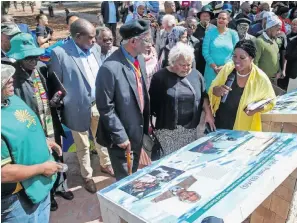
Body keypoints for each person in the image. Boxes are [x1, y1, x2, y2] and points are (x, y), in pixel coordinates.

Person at [6, 33, 73, 211]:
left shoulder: (42, 68)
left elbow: (57, 89)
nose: (33, 60)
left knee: (58, 154)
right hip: (32, 128)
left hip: (51, 124)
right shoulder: (13, 78)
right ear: (18, 58)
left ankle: (61, 186)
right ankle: (48, 195)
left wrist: (57, 99)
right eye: (28, 57)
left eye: (35, 56)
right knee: (41, 160)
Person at [50, 19, 113, 194]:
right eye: (91, 38)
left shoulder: (94, 49)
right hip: (77, 109)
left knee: (102, 138)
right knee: (83, 145)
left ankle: (106, 165)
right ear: (78, 37)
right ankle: (87, 176)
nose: (95, 41)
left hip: (98, 104)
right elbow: (57, 85)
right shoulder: (59, 54)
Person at [1, 64, 62, 222]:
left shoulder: (11, 100)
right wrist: (42, 168)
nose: (11, 80)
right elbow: (3, 173)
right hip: (17, 201)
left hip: (40, 186)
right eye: (4, 79)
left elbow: (24, 129)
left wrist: (43, 142)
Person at [95, 19, 151, 181]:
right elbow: (105, 107)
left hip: (137, 131)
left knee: (133, 174)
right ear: (133, 41)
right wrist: (120, 136)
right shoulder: (109, 68)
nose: (150, 44)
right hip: (122, 138)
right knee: (125, 180)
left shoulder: (138, 59)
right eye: (146, 40)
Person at [208, 40, 276, 131]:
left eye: (242, 58)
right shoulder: (228, 69)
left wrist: (256, 109)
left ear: (251, 58)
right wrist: (217, 90)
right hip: (220, 123)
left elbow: (271, 101)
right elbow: (212, 89)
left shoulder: (260, 78)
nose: (237, 61)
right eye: (234, 56)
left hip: (243, 127)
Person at [149, 43, 215, 132]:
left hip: (192, 130)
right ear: (173, 62)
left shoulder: (197, 75)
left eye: (189, 64)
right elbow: (152, 105)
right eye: (182, 65)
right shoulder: (159, 77)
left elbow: (204, 96)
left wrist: (208, 113)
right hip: (167, 131)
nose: (186, 68)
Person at [203, 11, 239, 90]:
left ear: (228, 21)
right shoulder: (209, 33)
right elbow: (205, 52)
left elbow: (237, 53)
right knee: (209, 96)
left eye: (223, 18)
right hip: (211, 71)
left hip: (227, 71)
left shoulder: (233, 34)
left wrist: (225, 67)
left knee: (224, 97)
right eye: (219, 18)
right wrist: (214, 67)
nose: (221, 20)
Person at [254, 15, 282, 83]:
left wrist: (279, 71)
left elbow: (277, 58)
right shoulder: (259, 41)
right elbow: (255, 62)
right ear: (270, 28)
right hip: (262, 81)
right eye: (277, 29)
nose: (279, 32)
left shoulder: (275, 41)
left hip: (274, 80)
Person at [193, 5, 215, 75]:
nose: (205, 18)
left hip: (210, 58)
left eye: (207, 16)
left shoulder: (214, 29)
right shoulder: (195, 28)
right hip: (198, 58)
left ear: (210, 17)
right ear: (200, 17)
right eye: (203, 16)